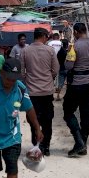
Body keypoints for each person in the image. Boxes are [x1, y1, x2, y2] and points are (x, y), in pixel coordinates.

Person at [63, 23, 89, 157]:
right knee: (86, 114)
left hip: (76, 85)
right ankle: (83, 144)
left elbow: (68, 66)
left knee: (68, 112)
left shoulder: (74, 46)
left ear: (75, 32)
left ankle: (79, 141)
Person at [20, 28, 59, 156]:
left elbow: (21, 72)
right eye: (46, 36)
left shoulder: (25, 51)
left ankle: (36, 144)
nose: (47, 38)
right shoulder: (50, 51)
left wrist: (29, 79)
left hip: (32, 92)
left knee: (33, 120)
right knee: (47, 120)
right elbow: (55, 70)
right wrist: (48, 78)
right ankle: (45, 146)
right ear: (43, 36)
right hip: (47, 91)